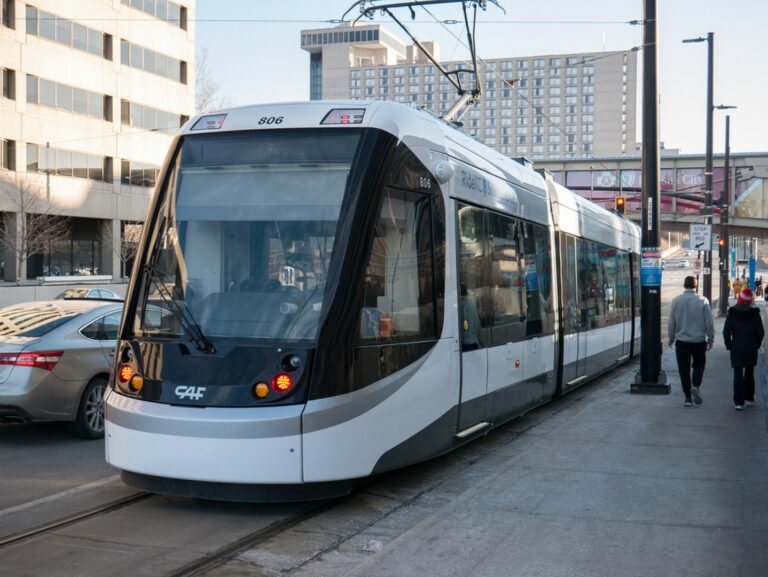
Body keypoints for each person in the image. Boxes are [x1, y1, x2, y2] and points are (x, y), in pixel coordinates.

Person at [668, 276, 715, 407]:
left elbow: (672, 322)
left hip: (682, 342)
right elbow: (709, 322)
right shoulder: (703, 300)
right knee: (699, 365)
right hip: (698, 341)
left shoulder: (676, 301)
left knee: (683, 370)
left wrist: (671, 338)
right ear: (696, 286)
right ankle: (696, 385)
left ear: (684, 285)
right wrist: (710, 339)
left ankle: (688, 398)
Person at [722, 288, 764, 410]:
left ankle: (738, 402)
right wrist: (756, 344)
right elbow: (760, 332)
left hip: (737, 347)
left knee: (738, 374)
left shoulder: (732, 313)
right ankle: (749, 397)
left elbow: (726, 332)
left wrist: (729, 345)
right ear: (750, 301)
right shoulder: (755, 314)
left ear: (739, 299)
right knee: (750, 372)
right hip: (751, 348)